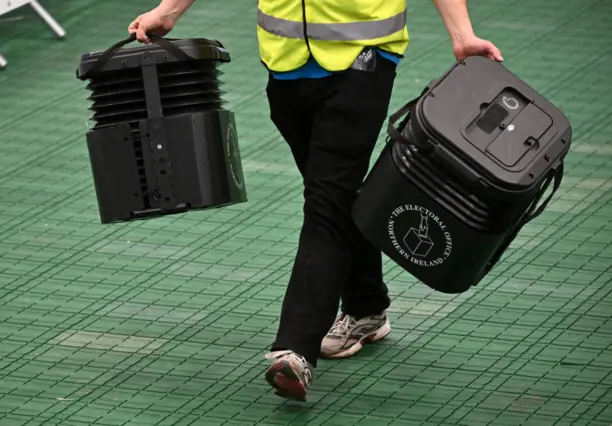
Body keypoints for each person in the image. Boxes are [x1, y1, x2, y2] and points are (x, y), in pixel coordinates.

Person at [129, 0, 503, 402]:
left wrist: (462, 35)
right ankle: (366, 307)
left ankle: (296, 349)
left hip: (364, 59)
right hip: (285, 63)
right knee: (336, 196)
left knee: (326, 201)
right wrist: (168, 12)